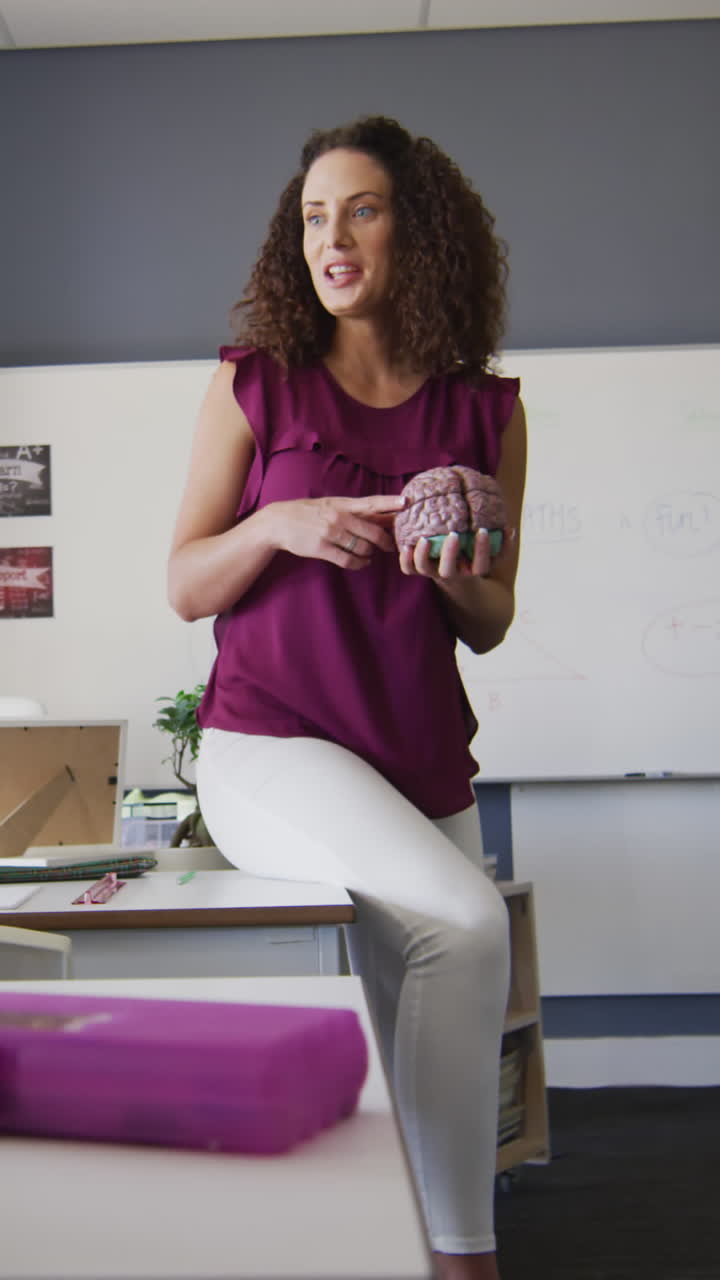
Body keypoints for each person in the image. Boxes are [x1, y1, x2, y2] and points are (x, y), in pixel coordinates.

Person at [168, 115, 527, 1280]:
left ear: (414, 230)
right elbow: (182, 583)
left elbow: (492, 620)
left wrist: (461, 574)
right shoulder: (255, 385)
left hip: (416, 752)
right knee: (470, 924)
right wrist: (278, 523)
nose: (333, 235)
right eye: (314, 214)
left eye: (361, 208)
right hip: (273, 739)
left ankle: (426, 1248)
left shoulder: (488, 412)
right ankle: (460, 1263)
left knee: (439, 1007)